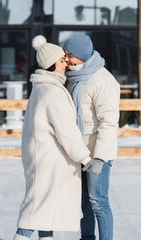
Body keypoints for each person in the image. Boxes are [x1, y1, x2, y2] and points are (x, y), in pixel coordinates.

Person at [13, 35, 94, 240]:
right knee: (35, 213)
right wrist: (85, 158)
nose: (66, 63)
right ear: (50, 65)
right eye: (61, 60)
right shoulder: (52, 91)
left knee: (45, 213)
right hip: (50, 162)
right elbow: (66, 131)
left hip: (44, 158)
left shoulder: (43, 87)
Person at [63, 33, 120, 240]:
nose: (67, 59)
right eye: (65, 55)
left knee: (98, 202)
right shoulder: (73, 79)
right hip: (80, 153)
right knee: (83, 202)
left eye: (70, 55)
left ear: (82, 55)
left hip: (97, 154)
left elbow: (109, 123)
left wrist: (100, 157)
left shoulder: (103, 80)